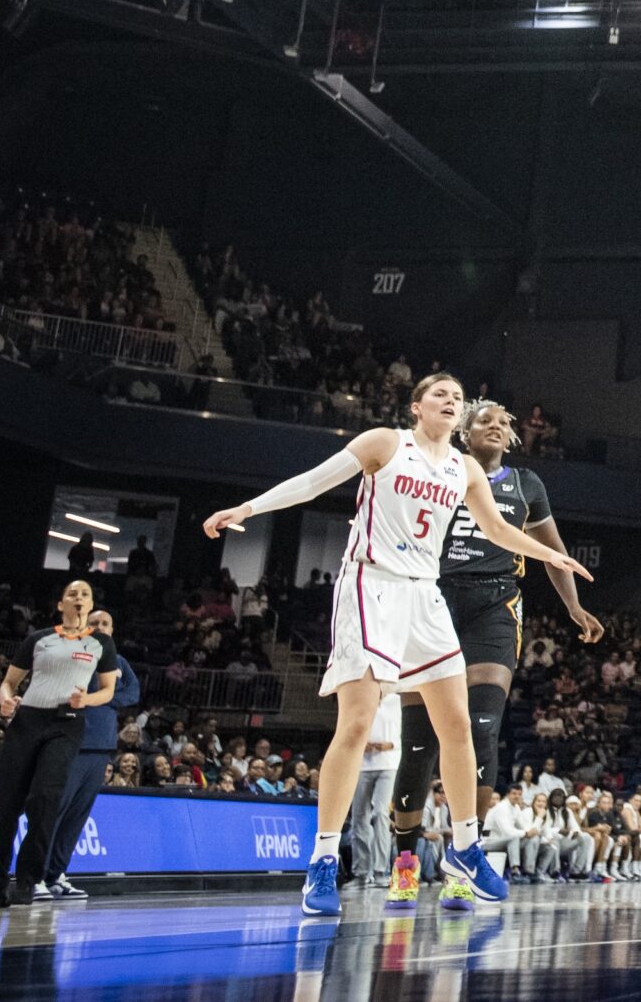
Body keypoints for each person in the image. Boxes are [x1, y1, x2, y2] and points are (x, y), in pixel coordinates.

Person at [201, 371, 592, 916]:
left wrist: (551, 555)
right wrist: (247, 509)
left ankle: (463, 848)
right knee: (358, 725)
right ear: (417, 406)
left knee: (457, 728)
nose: (451, 401)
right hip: (371, 584)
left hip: (424, 593)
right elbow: (313, 482)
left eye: (457, 397)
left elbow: (498, 532)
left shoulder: (464, 468)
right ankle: (321, 862)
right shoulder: (386, 443)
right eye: (441, 394)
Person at [385, 400, 601, 909]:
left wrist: (573, 606)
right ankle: (405, 861)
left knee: (481, 729)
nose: (499, 427)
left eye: (506, 423)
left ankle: (463, 856)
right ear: (463, 431)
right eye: (487, 421)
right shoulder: (433, 469)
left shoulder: (526, 485)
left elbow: (553, 550)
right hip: (431, 598)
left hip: (494, 605)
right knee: (418, 745)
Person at [0, 579, 117, 907]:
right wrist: (6, 700)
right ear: (61, 604)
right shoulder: (39, 639)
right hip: (27, 722)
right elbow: (8, 683)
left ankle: (28, 881)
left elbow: (108, 690)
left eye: (85, 595)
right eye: (73, 594)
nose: (79, 599)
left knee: (44, 801)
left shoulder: (101, 645)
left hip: (65, 725)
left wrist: (87, 699)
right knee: (6, 807)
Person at [42, 605, 136, 900]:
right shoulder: (73, 654)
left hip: (101, 747)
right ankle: (33, 875)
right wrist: (104, 698)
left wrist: (101, 699)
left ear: (112, 629)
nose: (100, 627)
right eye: (94, 622)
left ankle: (56, 874)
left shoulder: (119, 661)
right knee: (54, 812)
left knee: (76, 816)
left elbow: (132, 693)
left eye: (105, 623)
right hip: (72, 743)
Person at [346, 691, 401, 887]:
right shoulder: (361, 696)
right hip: (362, 764)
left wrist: (390, 744)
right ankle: (361, 873)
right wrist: (361, 743)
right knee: (359, 816)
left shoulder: (396, 699)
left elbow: (406, 734)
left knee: (380, 814)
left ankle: (380, 871)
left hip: (388, 764)